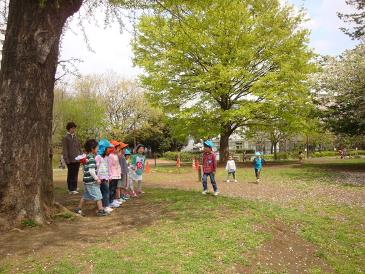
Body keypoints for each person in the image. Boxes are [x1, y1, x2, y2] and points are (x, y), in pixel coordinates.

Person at [74, 139, 109, 216]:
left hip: (86, 181)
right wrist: (97, 179)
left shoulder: (87, 157)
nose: (98, 149)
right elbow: (91, 171)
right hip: (91, 182)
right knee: (98, 196)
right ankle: (101, 210)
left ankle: (78, 208)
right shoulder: (92, 159)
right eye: (97, 148)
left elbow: (85, 169)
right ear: (92, 149)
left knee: (85, 196)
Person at [62, 122, 82, 194]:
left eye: (74, 128)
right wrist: (66, 159)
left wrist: (82, 156)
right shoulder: (66, 138)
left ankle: (74, 187)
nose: (74, 129)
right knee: (71, 174)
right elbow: (65, 149)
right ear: (69, 128)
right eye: (72, 128)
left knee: (76, 174)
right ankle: (70, 189)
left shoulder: (76, 137)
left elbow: (79, 148)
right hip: (70, 159)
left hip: (77, 159)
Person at [95, 139, 114, 214]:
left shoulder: (107, 157)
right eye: (108, 148)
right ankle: (105, 206)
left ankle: (105, 205)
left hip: (106, 177)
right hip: (100, 178)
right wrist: (97, 177)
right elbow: (96, 167)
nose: (109, 150)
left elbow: (108, 167)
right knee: (103, 192)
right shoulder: (98, 157)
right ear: (103, 148)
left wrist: (110, 175)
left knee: (105, 191)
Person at [108, 140, 123, 208]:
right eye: (118, 148)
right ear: (113, 148)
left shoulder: (115, 155)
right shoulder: (110, 156)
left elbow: (118, 165)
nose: (119, 150)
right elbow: (109, 166)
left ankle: (113, 200)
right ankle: (110, 201)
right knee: (112, 189)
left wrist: (119, 173)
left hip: (117, 175)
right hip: (112, 176)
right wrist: (110, 175)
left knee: (114, 188)